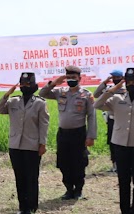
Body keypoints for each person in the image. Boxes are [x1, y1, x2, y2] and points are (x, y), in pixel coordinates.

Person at [94, 68, 134, 214]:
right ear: (125, 83)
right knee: (124, 181)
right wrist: (111, 90)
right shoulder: (117, 99)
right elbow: (97, 104)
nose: (133, 84)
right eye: (130, 82)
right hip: (120, 146)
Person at [0, 72, 49, 214]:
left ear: (34, 85)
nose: (25, 86)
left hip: (32, 145)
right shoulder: (13, 101)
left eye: (28, 84)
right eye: (23, 84)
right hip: (15, 145)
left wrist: (42, 143)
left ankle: (31, 207)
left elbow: (44, 125)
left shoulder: (40, 103)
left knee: (31, 177)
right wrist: (7, 94)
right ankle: (22, 206)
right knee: (19, 177)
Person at [39, 66, 96, 200]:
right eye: (68, 78)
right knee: (64, 162)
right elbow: (42, 94)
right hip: (63, 134)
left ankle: (78, 189)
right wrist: (55, 82)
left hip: (79, 133)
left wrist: (91, 136)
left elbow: (91, 116)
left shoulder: (86, 95)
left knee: (78, 162)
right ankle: (69, 189)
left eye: (74, 78)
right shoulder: (61, 92)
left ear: (79, 79)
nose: (71, 80)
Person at [93, 69, 125, 172]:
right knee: (112, 142)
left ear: (122, 78)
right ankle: (115, 164)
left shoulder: (126, 89)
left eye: (117, 77)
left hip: (124, 120)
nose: (115, 79)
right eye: (113, 78)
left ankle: (125, 163)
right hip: (112, 119)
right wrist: (105, 82)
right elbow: (96, 94)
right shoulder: (109, 89)